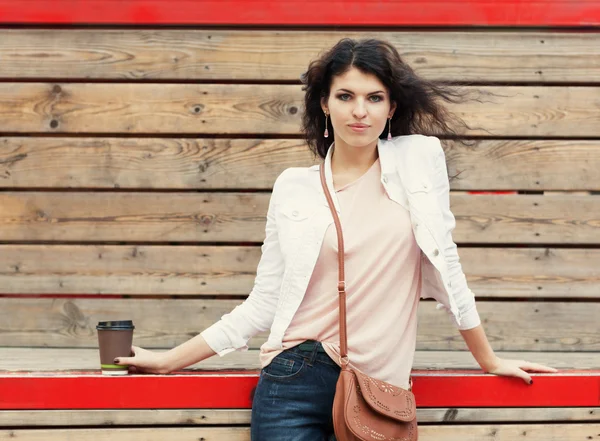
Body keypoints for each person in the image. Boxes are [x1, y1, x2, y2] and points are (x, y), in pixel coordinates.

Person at [114, 38, 558, 440]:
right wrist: (170, 359)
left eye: (373, 98)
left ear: (391, 107)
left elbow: (446, 264)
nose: (359, 111)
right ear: (324, 104)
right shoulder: (294, 185)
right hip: (294, 378)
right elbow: (265, 301)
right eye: (345, 96)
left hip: (379, 390)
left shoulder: (419, 159)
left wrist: (489, 359)